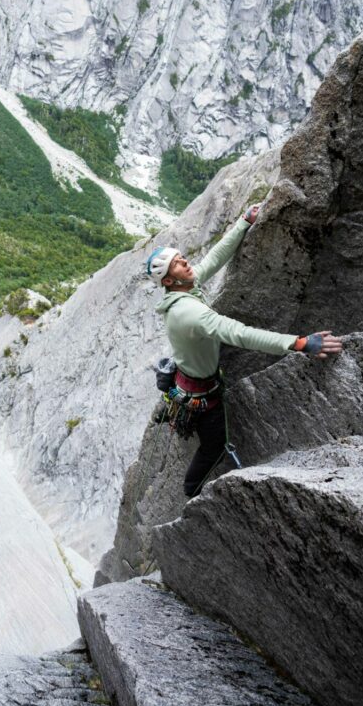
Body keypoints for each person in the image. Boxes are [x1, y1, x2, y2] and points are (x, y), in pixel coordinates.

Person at [145, 203, 343, 498]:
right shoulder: (188, 312)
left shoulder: (183, 289)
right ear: (169, 281)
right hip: (201, 394)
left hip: (196, 380)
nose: (186, 263)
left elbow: (214, 259)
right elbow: (240, 334)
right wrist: (299, 343)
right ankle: (191, 493)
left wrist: (244, 222)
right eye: (177, 263)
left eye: (182, 257)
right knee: (213, 447)